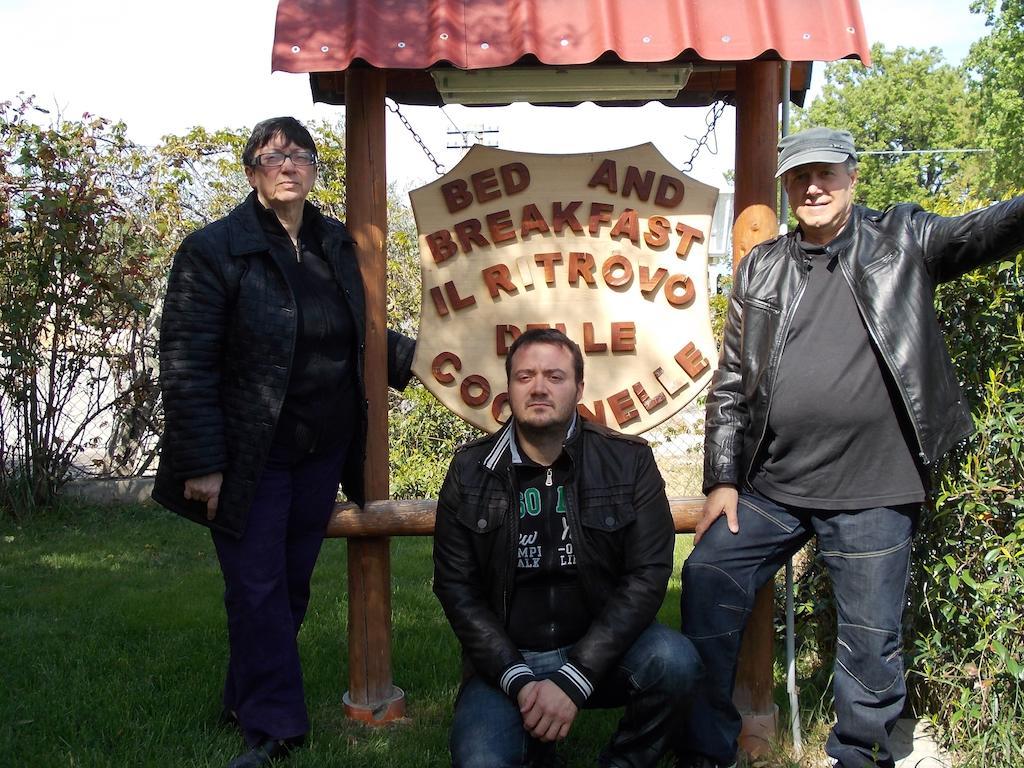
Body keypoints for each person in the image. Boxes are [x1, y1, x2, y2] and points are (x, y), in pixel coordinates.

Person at [677, 127, 1024, 768]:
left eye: (825, 174)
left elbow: (983, 232)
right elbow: (732, 382)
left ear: (851, 178)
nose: (812, 187)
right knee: (706, 574)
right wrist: (722, 478)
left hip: (875, 486)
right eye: (798, 178)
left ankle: (860, 754)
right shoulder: (763, 266)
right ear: (786, 187)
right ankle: (703, 748)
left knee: (870, 643)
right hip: (773, 485)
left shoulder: (903, 238)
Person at [152, 116, 414, 768]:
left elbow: (361, 335)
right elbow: (186, 363)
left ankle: (244, 698)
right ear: (251, 172)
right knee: (258, 588)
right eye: (273, 156)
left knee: (287, 588)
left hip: (317, 450)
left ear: (312, 169)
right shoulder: (214, 251)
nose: (288, 164)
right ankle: (275, 732)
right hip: (247, 454)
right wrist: (203, 464)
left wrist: (437, 361)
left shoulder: (333, 244)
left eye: (299, 154)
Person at [433, 328, 703, 768]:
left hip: (602, 652)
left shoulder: (629, 460)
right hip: (508, 660)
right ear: (509, 387)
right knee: (481, 760)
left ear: (579, 388)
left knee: (675, 663)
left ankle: (623, 761)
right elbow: (455, 589)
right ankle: (535, 734)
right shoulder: (470, 470)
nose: (539, 387)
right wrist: (519, 681)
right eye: (525, 376)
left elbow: (648, 575)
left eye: (555, 377)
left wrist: (575, 678)